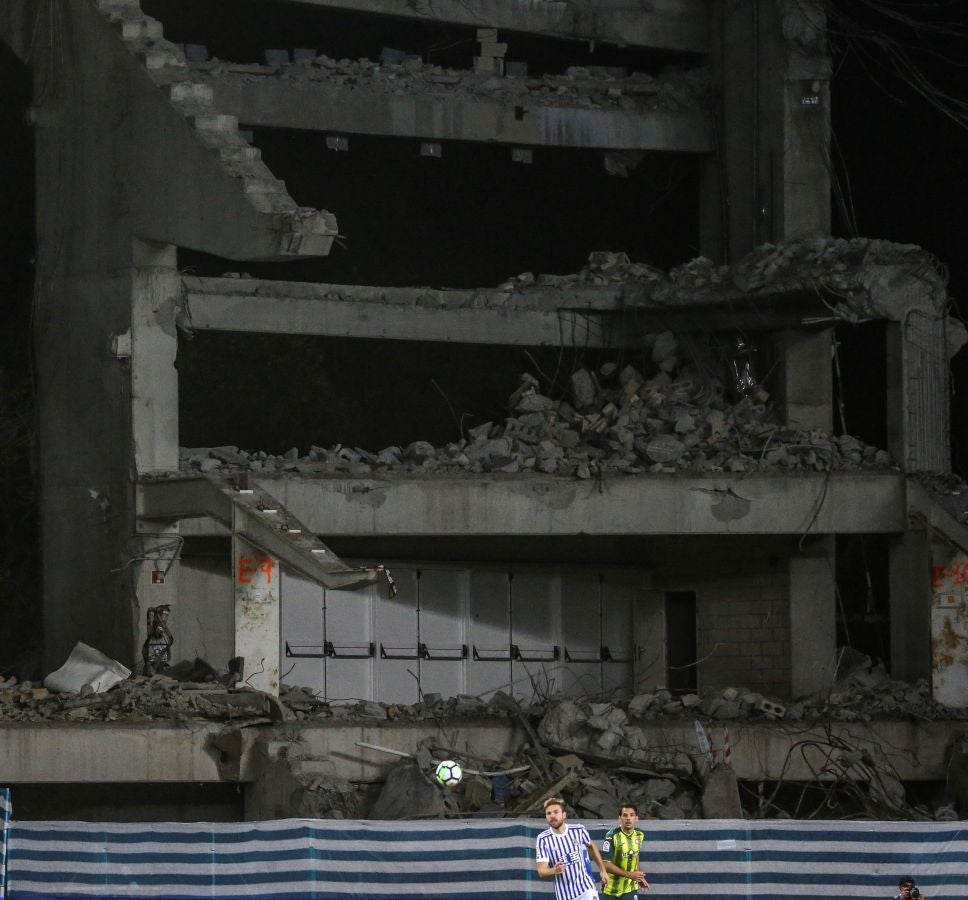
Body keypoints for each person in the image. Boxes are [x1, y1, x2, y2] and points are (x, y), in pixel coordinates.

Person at [536, 797, 610, 900]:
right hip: (564, 894)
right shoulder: (543, 839)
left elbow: (591, 846)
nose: (552, 816)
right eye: (548, 813)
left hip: (586, 888)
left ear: (564, 814)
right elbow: (541, 871)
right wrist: (554, 870)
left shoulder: (578, 830)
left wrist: (603, 870)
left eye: (556, 812)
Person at [601, 803, 648, 895]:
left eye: (632, 815)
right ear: (620, 818)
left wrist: (638, 876)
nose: (628, 818)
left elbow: (635, 855)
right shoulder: (611, 836)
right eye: (625, 815)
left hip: (630, 888)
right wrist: (630, 875)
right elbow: (605, 864)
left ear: (636, 818)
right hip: (610, 889)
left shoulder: (640, 834)